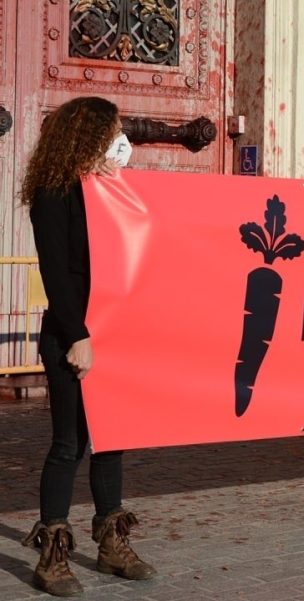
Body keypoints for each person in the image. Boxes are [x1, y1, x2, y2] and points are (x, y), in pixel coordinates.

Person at [19, 96, 155, 597]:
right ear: (88, 135)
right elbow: (57, 273)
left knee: (111, 439)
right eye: (112, 131)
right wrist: (77, 336)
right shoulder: (53, 193)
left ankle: (112, 545)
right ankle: (52, 558)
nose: (120, 140)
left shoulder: (107, 189)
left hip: (112, 332)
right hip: (72, 335)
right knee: (68, 444)